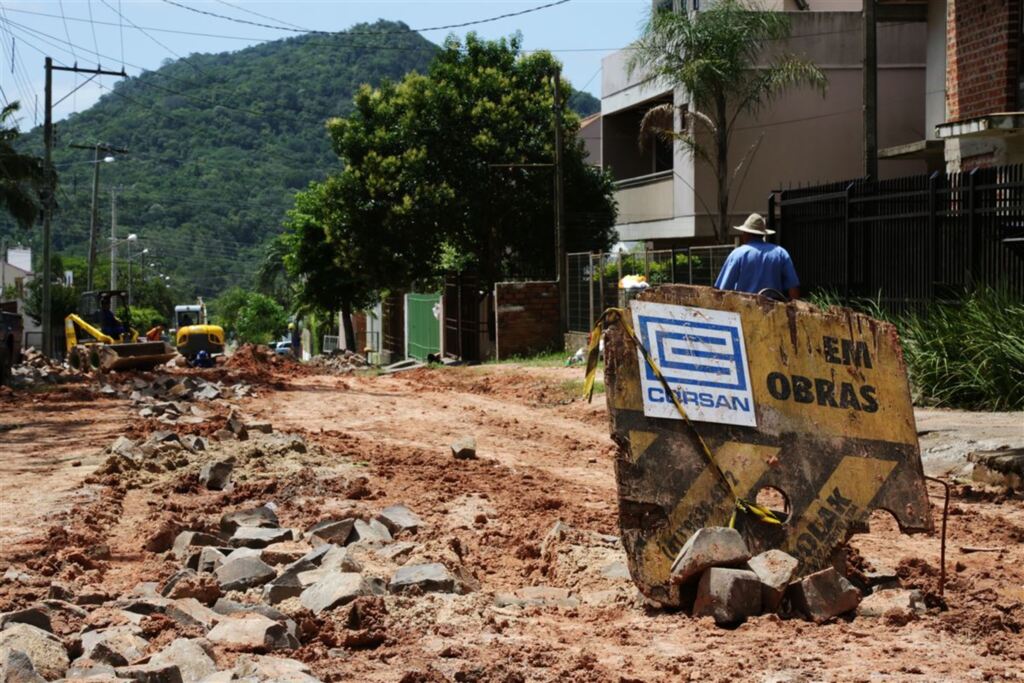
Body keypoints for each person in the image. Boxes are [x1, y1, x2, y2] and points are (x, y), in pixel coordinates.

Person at [714, 213, 800, 300]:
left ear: (746, 233)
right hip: (774, 306)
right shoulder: (780, 253)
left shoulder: (738, 254)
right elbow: (793, 287)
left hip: (745, 306)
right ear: (763, 234)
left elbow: (723, 290)